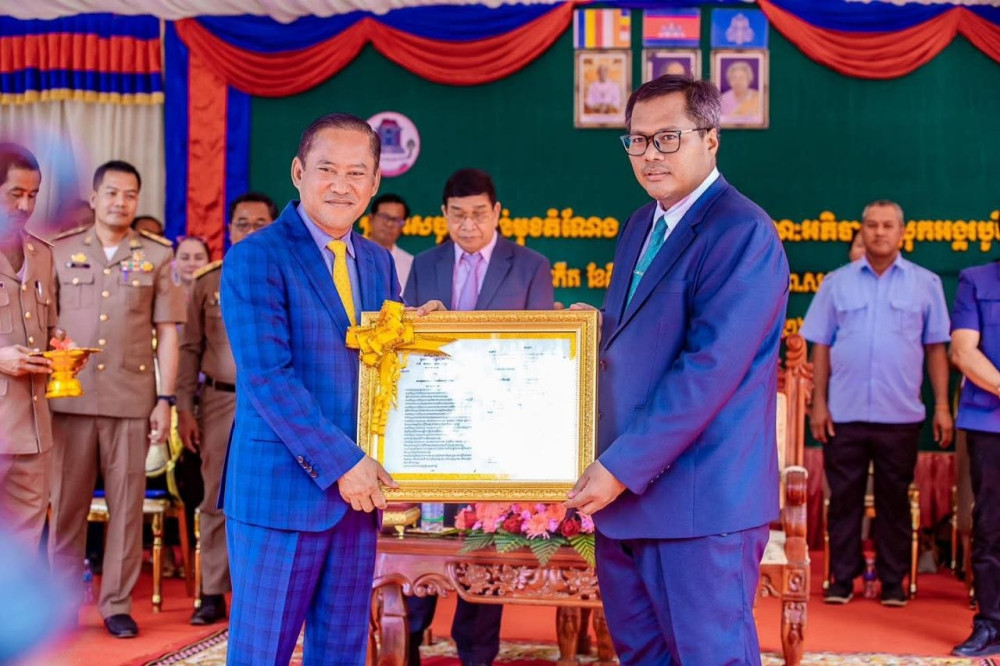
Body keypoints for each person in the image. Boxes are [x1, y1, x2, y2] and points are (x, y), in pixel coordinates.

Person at [564, 75, 789, 664]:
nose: (650, 155)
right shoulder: (641, 224)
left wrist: (619, 467)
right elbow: (646, 337)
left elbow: (707, 371)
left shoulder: (742, 232)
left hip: (698, 503)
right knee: (641, 657)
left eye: (668, 138)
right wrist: (589, 330)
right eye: (637, 141)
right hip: (627, 503)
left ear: (711, 138)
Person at [219, 113, 444, 665]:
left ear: (375, 183)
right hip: (281, 493)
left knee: (342, 650)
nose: (341, 185)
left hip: (355, 502)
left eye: (356, 173)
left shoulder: (377, 261)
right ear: (299, 172)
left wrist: (418, 335)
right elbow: (269, 377)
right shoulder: (256, 256)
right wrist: (346, 464)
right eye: (327, 169)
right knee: (261, 652)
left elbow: (378, 361)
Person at [402, 168, 554, 666]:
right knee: (423, 538)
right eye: (458, 215)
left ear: (497, 212)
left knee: (484, 541)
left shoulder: (530, 267)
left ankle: (477, 653)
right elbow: (407, 347)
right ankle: (409, 639)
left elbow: (539, 353)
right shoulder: (423, 265)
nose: (468, 225)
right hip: (435, 425)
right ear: (444, 215)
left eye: (478, 214)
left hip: (498, 430)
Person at [48, 160, 186, 638]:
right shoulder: (60, 252)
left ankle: (117, 605)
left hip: (131, 400)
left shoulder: (157, 255)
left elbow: (168, 333)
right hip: (70, 400)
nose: (120, 202)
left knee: (127, 509)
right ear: (93, 197)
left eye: (129, 194)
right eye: (111, 193)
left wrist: (165, 398)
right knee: (66, 509)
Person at [801, 199, 952, 607]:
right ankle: (841, 579)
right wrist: (818, 404)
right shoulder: (836, 282)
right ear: (862, 231)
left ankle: (892, 581)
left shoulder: (925, 284)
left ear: (902, 232)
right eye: (872, 225)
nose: (880, 232)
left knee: (894, 501)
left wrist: (942, 406)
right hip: (844, 414)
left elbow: (936, 349)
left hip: (899, 414)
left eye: (888, 225)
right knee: (844, 500)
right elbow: (821, 346)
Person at [175, 192, 277, 625]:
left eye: (259, 224)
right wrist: (184, 409)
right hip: (220, 402)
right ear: (230, 230)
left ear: (273, 226)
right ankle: (213, 592)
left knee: (271, 498)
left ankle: (263, 592)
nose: (250, 231)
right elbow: (189, 348)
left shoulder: (286, 274)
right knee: (216, 495)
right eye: (242, 224)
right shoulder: (208, 281)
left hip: (273, 402)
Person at [0, 143, 59, 549]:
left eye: (33, 195)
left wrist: (63, 351)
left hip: (34, 431)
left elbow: (50, 330)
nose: (25, 205)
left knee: (22, 551)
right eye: (15, 194)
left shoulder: (42, 255)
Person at [949, 259, 1000, 657]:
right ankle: (991, 624)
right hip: (990, 422)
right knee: (991, 526)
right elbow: (963, 351)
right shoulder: (976, 280)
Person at [368, 193, 413, 291]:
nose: (389, 224)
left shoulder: (411, 265)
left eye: (396, 220)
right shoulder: (350, 256)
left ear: (403, 225)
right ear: (371, 219)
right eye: (384, 217)